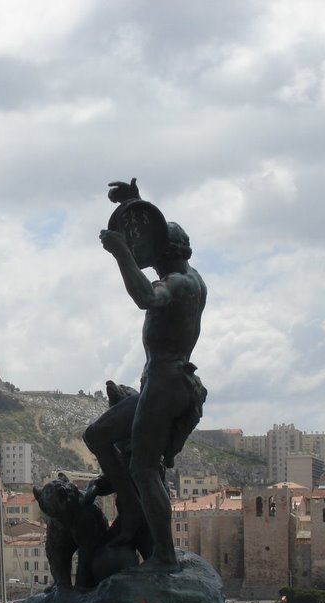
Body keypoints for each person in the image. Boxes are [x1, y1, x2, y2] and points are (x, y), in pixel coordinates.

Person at [83, 180, 207, 568]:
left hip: (167, 383)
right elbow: (155, 229)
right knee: (97, 435)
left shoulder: (179, 284)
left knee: (144, 466)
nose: (148, 260)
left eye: (152, 255)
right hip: (164, 382)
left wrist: (122, 253)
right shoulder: (192, 277)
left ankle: (165, 557)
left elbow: (146, 298)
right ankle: (133, 507)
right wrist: (134, 204)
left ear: (163, 254)